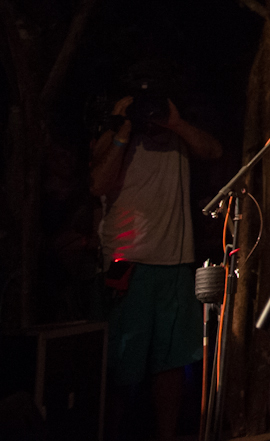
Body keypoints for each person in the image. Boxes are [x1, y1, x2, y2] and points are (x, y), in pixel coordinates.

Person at [91, 83, 222, 441]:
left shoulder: (176, 133)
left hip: (176, 262)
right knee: (122, 364)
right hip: (128, 261)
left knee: (172, 362)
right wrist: (124, 127)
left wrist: (175, 123)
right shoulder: (114, 138)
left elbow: (213, 150)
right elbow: (97, 183)